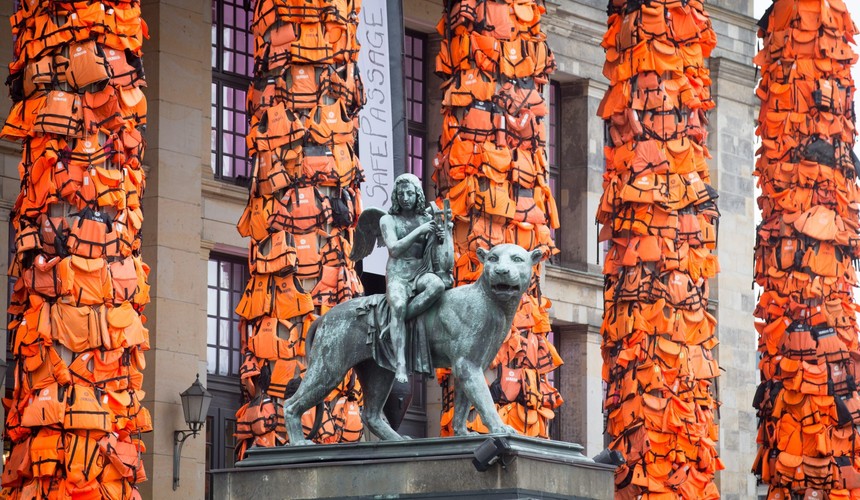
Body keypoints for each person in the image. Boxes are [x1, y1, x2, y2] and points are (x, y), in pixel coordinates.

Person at [379, 174, 450, 383]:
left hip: (420, 272)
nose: (405, 197)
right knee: (398, 305)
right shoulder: (388, 220)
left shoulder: (425, 219)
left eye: (410, 193)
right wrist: (421, 230)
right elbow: (394, 249)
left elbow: (435, 252)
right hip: (398, 274)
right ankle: (400, 364)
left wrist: (443, 236)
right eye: (401, 193)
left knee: (436, 285)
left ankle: (397, 323)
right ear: (395, 196)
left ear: (417, 194)